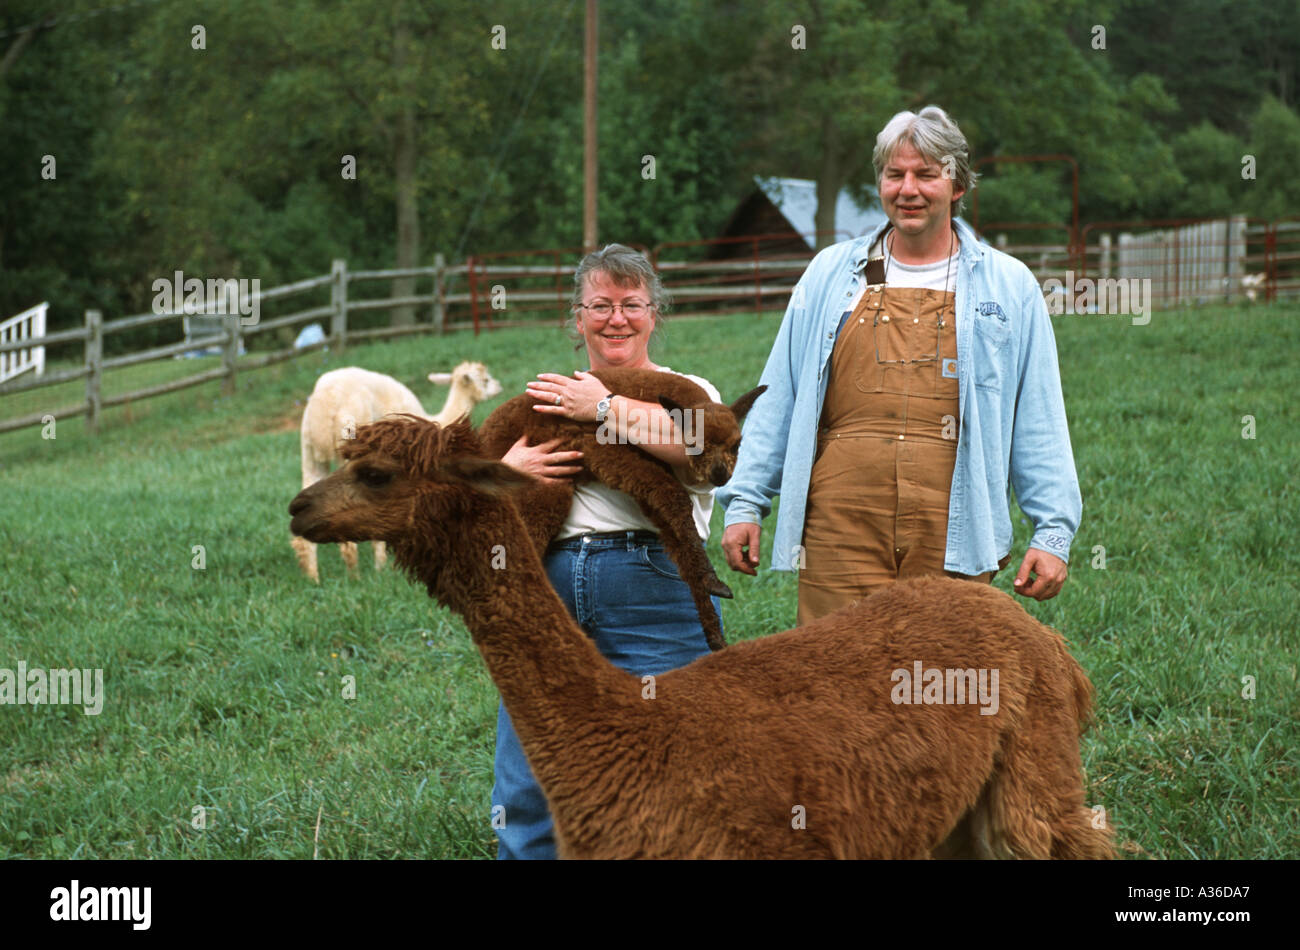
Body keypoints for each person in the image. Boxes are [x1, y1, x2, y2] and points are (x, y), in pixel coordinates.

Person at [718, 106, 1081, 625]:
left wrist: (1053, 533)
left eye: (926, 175)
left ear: (957, 185)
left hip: (956, 525)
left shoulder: (1008, 284)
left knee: (944, 682)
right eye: (895, 174)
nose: (908, 189)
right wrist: (745, 503)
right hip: (839, 525)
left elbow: (1039, 417)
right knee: (837, 680)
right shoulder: (828, 273)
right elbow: (781, 394)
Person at [491, 243, 723, 859]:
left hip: (652, 581)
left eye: (631, 305)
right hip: (548, 582)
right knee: (531, 765)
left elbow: (699, 450)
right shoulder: (542, 396)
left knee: (681, 753)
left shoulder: (686, 391)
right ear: (577, 318)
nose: (615, 319)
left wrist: (599, 407)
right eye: (600, 305)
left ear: (654, 315)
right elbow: (467, 500)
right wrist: (505, 471)